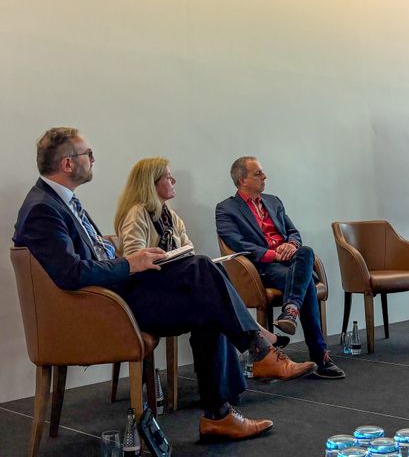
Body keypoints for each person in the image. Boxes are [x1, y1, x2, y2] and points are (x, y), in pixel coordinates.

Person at [13, 128, 306, 442]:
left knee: (207, 301)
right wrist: (130, 263)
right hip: (101, 311)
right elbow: (71, 273)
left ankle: (219, 415)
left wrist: (121, 256)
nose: (94, 159)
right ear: (68, 164)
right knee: (201, 270)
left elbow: (90, 257)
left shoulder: (61, 202)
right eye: (88, 154)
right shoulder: (43, 209)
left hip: (113, 301)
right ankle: (259, 350)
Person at [113, 156, 316, 383]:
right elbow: (134, 262)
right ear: (151, 183)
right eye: (168, 177)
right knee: (205, 275)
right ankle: (261, 347)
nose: (174, 181)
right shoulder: (137, 213)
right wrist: (168, 259)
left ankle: (227, 395)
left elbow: (187, 251)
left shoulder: (171, 217)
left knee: (212, 291)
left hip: (172, 291)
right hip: (148, 297)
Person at [216, 156, 345, 379]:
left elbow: (293, 232)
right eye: (258, 174)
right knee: (307, 284)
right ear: (242, 180)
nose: (264, 177)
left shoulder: (273, 201)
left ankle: (291, 310)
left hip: (291, 262)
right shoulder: (226, 208)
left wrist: (291, 245)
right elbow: (235, 242)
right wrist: (273, 254)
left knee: (305, 251)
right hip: (261, 268)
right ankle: (320, 357)